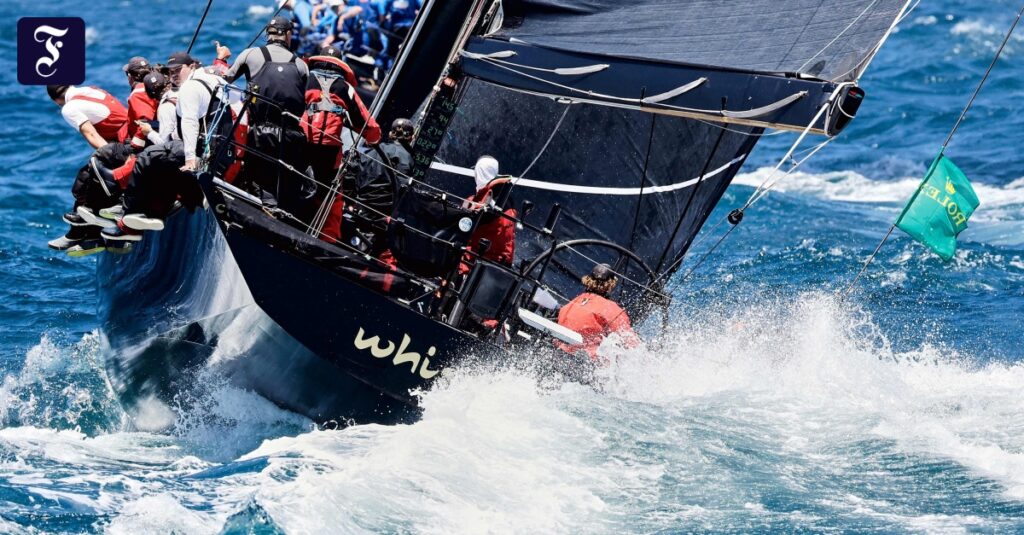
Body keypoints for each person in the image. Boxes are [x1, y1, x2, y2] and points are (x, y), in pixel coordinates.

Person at [97, 51, 236, 242]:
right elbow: (222, 74)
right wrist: (222, 59)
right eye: (171, 72)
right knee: (162, 161)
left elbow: (189, 123)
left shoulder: (188, 89)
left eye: (178, 70)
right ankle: (153, 207)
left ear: (192, 67)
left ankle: (129, 217)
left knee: (148, 157)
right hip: (223, 151)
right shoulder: (213, 78)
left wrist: (190, 158)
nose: (174, 75)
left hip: (204, 152)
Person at [223, 16, 310, 212]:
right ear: (288, 35)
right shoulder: (301, 65)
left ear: (267, 35)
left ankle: (261, 211)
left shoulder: (250, 54)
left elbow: (225, 79)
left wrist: (220, 60)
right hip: (291, 136)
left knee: (259, 181)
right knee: (287, 185)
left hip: (260, 133)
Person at [300, 46, 381, 241]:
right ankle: (327, 240)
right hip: (329, 152)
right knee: (331, 197)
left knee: (298, 182)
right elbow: (370, 128)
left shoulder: (305, 79)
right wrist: (375, 139)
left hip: (302, 144)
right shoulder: (346, 88)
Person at [46, 84, 131, 251]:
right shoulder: (91, 90)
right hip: (132, 136)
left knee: (86, 180)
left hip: (126, 143)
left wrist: (109, 157)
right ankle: (86, 231)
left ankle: (84, 234)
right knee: (90, 175)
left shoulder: (69, 108)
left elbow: (91, 134)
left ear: (56, 101)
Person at [556, 264, 640, 360]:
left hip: (560, 352)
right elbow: (631, 342)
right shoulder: (610, 308)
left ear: (588, 280)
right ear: (611, 285)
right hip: (587, 361)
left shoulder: (571, 304)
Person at [459, 156, 516, 273]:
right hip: (500, 265)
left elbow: (475, 222)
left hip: (479, 262)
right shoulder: (504, 197)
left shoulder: (492, 198)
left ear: (480, 173)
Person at [122, 56, 158, 149]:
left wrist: (135, 146)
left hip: (148, 141)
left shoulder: (137, 94)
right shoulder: (157, 84)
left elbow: (145, 122)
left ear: (130, 76)